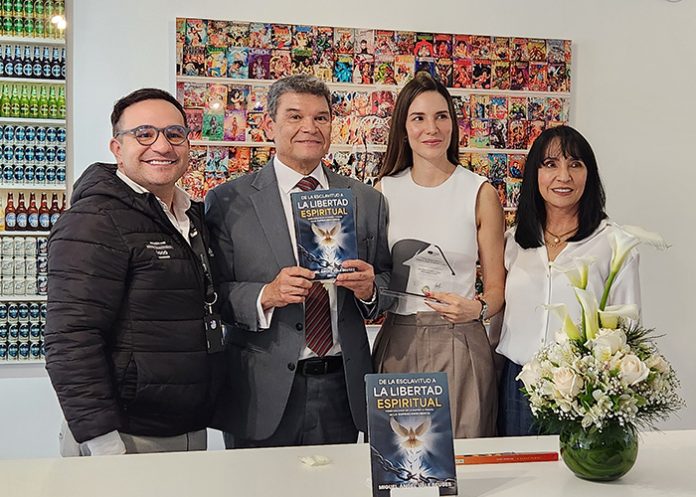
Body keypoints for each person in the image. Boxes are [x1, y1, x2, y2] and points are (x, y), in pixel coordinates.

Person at [206, 74, 390, 448]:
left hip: (341, 388)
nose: (310, 127)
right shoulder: (227, 201)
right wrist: (266, 295)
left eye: (321, 117)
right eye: (295, 116)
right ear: (269, 124)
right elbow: (212, 293)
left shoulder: (366, 199)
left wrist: (370, 289)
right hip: (259, 390)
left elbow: (387, 281)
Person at [45, 88, 224, 455]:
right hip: (124, 437)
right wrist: (103, 442)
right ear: (117, 148)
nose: (162, 145)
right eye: (144, 134)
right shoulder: (93, 221)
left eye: (174, 133)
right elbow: (71, 338)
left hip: (187, 427)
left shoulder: (190, 217)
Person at [372, 71, 505, 438]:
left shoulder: (479, 192)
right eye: (418, 118)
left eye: (441, 116)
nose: (431, 128)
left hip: (461, 339)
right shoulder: (384, 191)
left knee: (464, 456)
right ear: (404, 128)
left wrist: (476, 309)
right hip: (399, 340)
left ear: (452, 124)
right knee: (400, 457)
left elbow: (497, 289)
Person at [496, 125, 641, 436]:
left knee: (576, 467)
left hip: (582, 387)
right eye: (550, 164)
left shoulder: (613, 242)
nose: (564, 176)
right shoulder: (514, 241)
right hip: (517, 385)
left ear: (589, 175)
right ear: (535, 174)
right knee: (519, 466)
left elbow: (628, 325)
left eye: (575, 164)